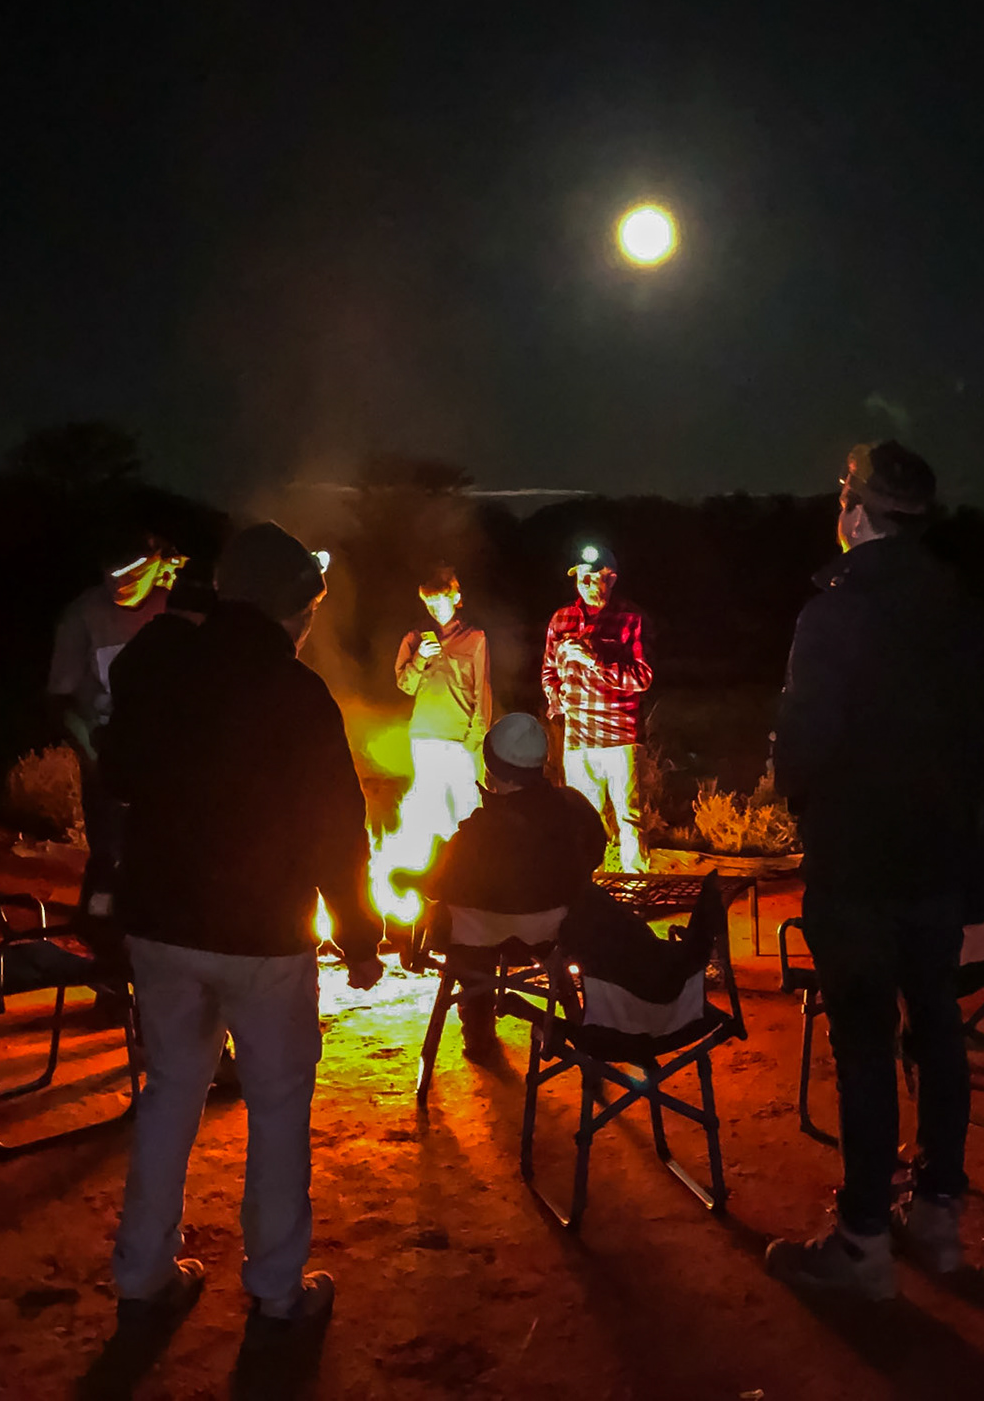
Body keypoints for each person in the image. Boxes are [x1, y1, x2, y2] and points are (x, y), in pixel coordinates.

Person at [97, 521, 384, 1345]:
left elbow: (114, 773)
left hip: (161, 925)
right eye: (308, 610)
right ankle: (276, 1290)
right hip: (263, 937)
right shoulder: (297, 696)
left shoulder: (154, 662)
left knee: (171, 1094)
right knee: (278, 1104)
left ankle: (143, 1276)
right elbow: (338, 831)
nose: (309, 626)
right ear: (291, 608)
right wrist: (361, 939)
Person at [765, 441, 984, 1297]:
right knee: (937, 1026)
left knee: (864, 1041)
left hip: (860, 862)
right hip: (940, 858)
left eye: (842, 499)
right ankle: (938, 1216)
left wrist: (791, 784)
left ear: (859, 515)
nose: (837, 510)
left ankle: (864, 1240)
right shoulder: (961, 607)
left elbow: (804, 742)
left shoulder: (834, 611)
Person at [421, 712, 607, 1056]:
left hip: (485, 943)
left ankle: (478, 1033)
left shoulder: (477, 832)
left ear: (491, 769)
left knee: (461, 934)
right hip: (554, 937)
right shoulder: (574, 809)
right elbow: (596, 850)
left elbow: (436, 885)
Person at [46, 530, 185, 920]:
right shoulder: (83, 616)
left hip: (167, 761)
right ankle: (101, 939)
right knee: (111, 856)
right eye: (112, 572)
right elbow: (60, 700)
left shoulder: (174, 607)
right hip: (107, 754)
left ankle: (152, 945)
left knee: (166, 858)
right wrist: (92, 751)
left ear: (156, 563)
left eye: (131, 569)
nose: (119, 580)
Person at [540, 545, 653, 873]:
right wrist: (554, 697)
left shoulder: (631, 618)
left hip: (620, 736)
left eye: (597, 578)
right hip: (578, 739)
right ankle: (586, 890)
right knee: (580, 819)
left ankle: (637, 893)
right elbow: (549, 669)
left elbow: (642, 676)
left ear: (612, 580)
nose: (590, 585)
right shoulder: (561, 619)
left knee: (630, 818)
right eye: (583, 578)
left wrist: (594, 660)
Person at [393, 564, 492, 840]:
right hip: (424, 737)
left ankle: (470, 871)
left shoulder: (475, 638)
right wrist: (420, 658)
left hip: (461, 739)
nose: (435, 607)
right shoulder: (414, 638)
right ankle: (439, 875)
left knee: (468, 811)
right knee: (433, 811)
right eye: (429, 602)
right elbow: (405, 686)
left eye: (440, 599)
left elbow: (482, 691)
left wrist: (476, 738)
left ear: (455, 599)